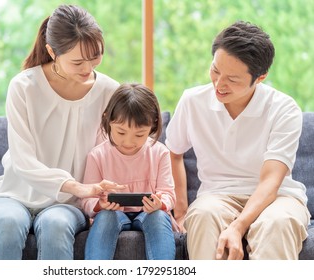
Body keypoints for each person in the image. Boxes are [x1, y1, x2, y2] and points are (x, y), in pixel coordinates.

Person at [0, 4, 124, 260]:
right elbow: (23, 162)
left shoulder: (110, 91)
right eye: (77, 61)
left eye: (96, 56)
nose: (88, 68)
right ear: (52, 52)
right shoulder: (23, 86)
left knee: (55, 226)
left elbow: (111, 153)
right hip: (13, 195)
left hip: (67, 205)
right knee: (9, 223)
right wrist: (77, 187)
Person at [165, 21, 310, 260]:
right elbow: (174, 151)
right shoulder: (192, 101)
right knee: (202, 215)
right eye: (215, 70)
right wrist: (181, 210)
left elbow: (271, 181)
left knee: (278, 223)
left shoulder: (284, 109)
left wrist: (238, 226)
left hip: (278, 197)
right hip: (217, 195)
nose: (219, 84)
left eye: (232, 79)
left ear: (260, 77)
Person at [81, 83, 177, 260]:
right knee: (106, 217)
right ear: (108, 120)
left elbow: (169, 195)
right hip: (112, 215)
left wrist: (159, 203)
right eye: (121, 132)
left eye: (139, 135)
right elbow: (87, 199)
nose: (128, 141)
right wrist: (100, 205)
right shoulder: (97, 155)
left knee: (158, 216)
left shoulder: (160, 152)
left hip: (150, 214)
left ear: (153, 126)